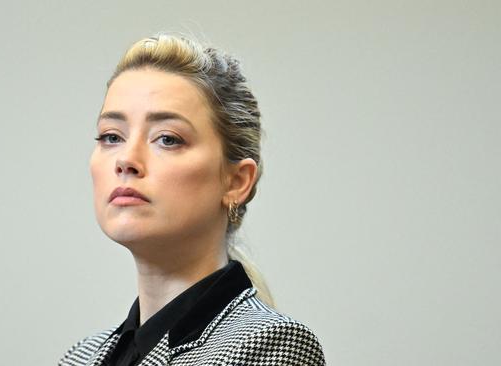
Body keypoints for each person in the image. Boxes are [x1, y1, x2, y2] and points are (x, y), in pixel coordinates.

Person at [58, 33, 326, 366]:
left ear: (237, 181)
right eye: (111, 136)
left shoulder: (269, 344)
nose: (126, 160)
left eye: (167, 139)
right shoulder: (81, 358)